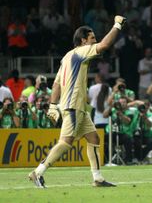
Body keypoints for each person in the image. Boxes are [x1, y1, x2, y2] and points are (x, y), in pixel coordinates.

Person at [28, 15, 126, 188]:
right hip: (73, 105)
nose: (95, 41)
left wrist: (52, 105)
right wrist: (117, 25)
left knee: (94, 138)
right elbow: (104, 46)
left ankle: (98, 178)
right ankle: (37, 172)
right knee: (66, 142)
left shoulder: (66, 57)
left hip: (76, 106)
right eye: (92, 38)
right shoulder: (81, 52)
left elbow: (56, 83)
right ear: (83, 40)